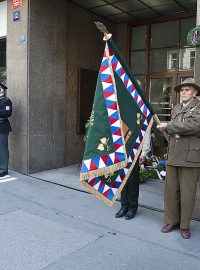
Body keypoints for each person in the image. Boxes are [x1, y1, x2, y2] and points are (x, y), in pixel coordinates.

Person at [157, 78, 200, 239]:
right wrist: (165, 131)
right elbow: (175, 131)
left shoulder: (199, 107)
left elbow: (194, 126)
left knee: (187, 193)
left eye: (187, 90)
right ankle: (171, 221)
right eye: (182, 90)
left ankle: (184, 225)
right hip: (174, 153)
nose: (183, 92)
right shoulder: (176, 108)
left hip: (191, 155)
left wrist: (169, 126)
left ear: (194, 92)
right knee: (171, 191)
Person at [115, 129, 151, 220]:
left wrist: (144, 153)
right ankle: (124, 206)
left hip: (136, 148)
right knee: (123, 179)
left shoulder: (142, 114)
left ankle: (132, 207)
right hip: (122, 149)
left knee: (132, 180)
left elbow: (146, 131)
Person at [0, 82, 12, 177]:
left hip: (2, 126)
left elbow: (7, 113)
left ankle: (4, 169)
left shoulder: (6, 100)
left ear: (3, 89)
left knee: (3, 148)